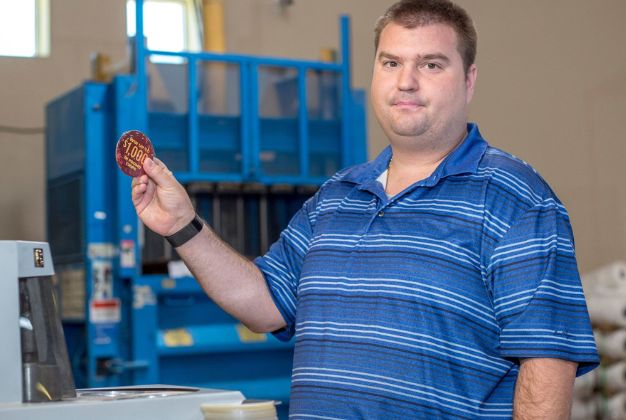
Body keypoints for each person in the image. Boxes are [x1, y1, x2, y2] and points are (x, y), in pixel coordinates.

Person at [131, 0, 599, 417]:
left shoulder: (516, 199)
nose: (406, 82)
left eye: (431, 65)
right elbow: (265, 304)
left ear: (469, 79)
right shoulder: (335, 197)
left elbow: (547, 365)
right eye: (391, 61)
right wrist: (182, 226)